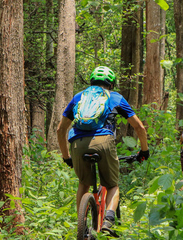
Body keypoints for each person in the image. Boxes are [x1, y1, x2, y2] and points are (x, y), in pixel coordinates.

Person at [57, 66, 149, 236]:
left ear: (91, 81)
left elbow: (60, 130)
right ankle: (108, 220)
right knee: (112, 185)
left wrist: (66, 157)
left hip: (77, 143)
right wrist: (144, 151)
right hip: (104, 141)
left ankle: (82, 226)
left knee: (84, 184)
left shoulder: (79, 97)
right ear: (111, 84)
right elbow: (139, 127)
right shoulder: (115, 97)